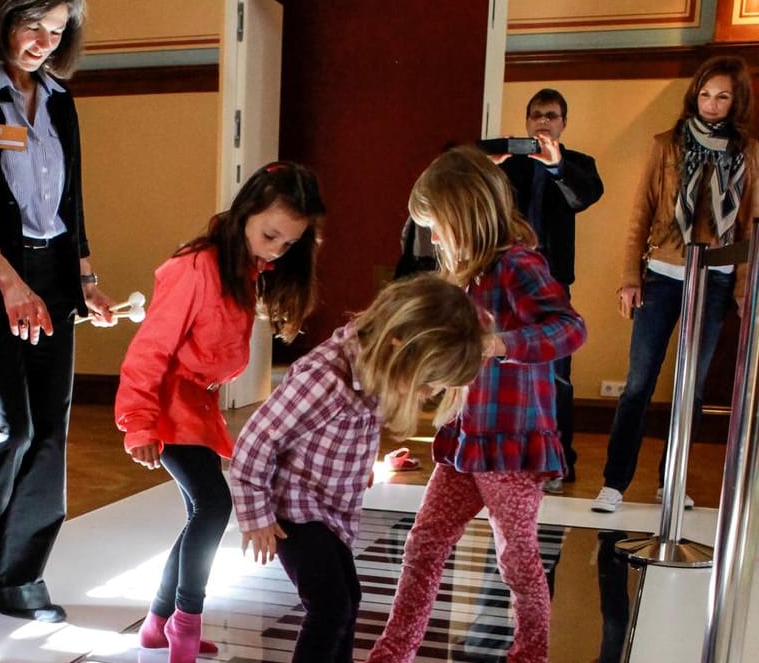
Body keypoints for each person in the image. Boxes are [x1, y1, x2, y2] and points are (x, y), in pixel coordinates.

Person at [0, 0, 115, 623]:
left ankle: (19, 572)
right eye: (32, 25)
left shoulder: (62, 101)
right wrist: (12, 285)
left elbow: (75, 202)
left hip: (53, 276)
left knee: (51, 432)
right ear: (5, 16)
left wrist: (86, 281)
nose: (42, 42)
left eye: (56, 30)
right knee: (11, 427)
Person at [364, 147, 586, 663]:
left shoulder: (517, 265)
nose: (434, 239)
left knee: (517, 558)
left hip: (510, 446)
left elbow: (571, 328)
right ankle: (393, 651)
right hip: (467, 442)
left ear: (464, 213)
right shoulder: (464, 278)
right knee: (424, 545)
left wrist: (500, 344)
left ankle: (530, 654)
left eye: (437, 226)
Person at [116, 162, 325, 662]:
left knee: (202, 513)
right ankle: (184, 627)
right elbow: (149, 350)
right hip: (169, 406)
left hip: (197, 405)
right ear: (245, 212)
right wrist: (139, 422)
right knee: (213, 507)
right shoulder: (196, 267)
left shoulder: (244, 268)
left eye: (287, 244)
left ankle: (157, 623)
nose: (276, 251)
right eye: (270, 235)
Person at [230, 274, 484, 663]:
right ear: (398, 348)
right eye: (428, 383)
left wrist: (359, 467)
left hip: (329, 508)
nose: (429, 394)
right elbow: (255, 442)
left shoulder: (375, 368)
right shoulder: (324, 378)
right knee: (329, 606)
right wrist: (255, 517)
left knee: (348, 599)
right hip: (292, 511)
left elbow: (349, 428)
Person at [594, 56, 759, 513]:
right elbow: (639, 216)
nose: (712, 104)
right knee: (639, 383)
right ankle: (615, 481)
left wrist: (744, 292)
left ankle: (673, 480)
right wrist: (630, 277)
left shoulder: (748, 153)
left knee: (693, 386)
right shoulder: (666, 145)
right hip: (663, 275)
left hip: (717, 280)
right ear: (695, 95)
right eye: (706, 94)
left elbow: (748, 228)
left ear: (735, 100)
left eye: (722, 96)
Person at [495, 88, 604, 493]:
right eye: (537, 115)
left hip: (553, 279)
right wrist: (491, 167)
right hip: (507, 278)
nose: (543, 121)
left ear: (563, 123)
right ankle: (512, 458)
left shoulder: (578, 164)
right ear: (526, 121)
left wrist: (557, 168)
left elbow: (584, 197)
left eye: (552, 115)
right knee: (507, 367)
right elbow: (483, 200)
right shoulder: (509, 164)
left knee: (558, 373)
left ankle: (559, 461)